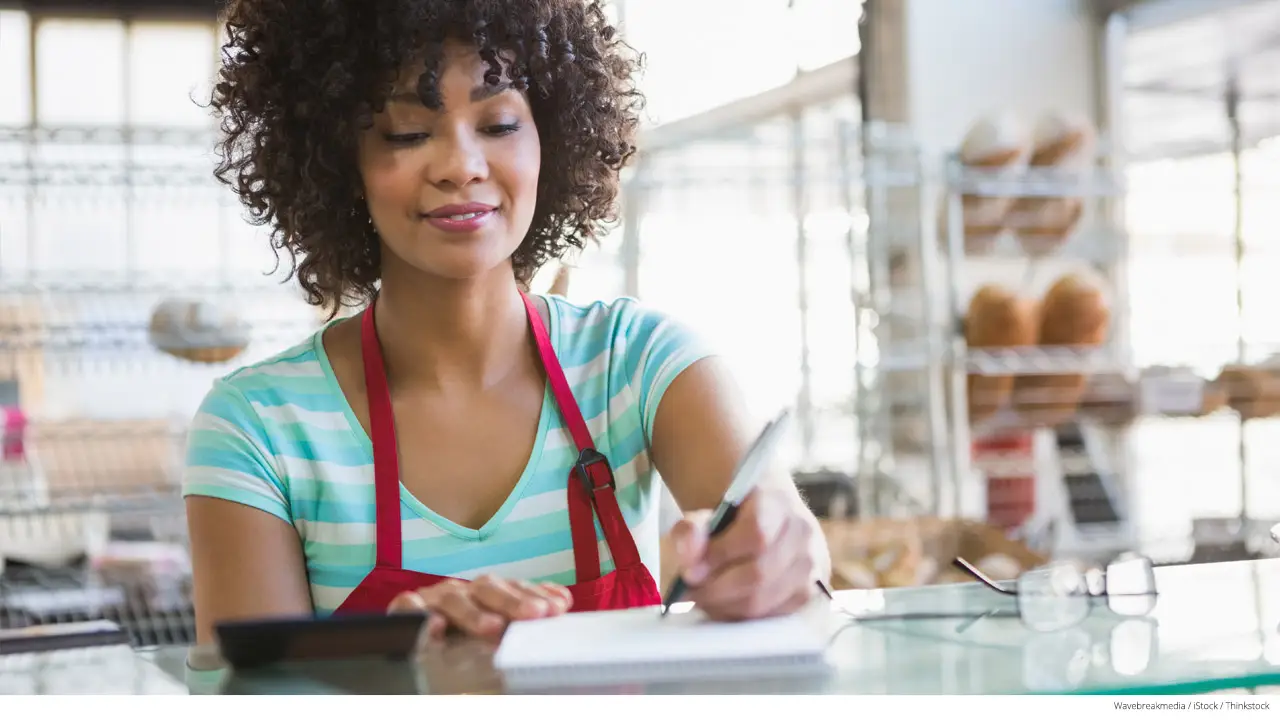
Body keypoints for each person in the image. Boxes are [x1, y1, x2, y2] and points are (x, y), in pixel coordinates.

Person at [184, 0, 831, 646]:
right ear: (340, 162)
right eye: (408, 133)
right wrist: (389, 659)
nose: (461, 166)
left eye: (498, 124)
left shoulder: (640, 363)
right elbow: (241, 698)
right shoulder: (258, 428)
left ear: (551, 137)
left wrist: (781, 558)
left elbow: (794, 561)